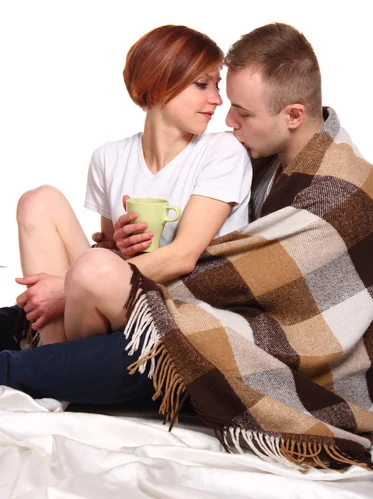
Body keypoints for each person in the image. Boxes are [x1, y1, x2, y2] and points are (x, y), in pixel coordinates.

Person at [1, 23, 373, 478]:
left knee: (126, 339)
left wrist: (89, 276)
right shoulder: (270, 154)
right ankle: (44, 358)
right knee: (25, 309)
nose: (228, 120)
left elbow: (211, 269)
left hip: (273, 347)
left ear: (292, 114)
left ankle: (30, 370)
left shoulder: (336, 193)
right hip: (169, 302)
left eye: (242, 112)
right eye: (220, 97)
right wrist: (113, 253)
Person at [15, 25, 252, 345]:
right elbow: (110, 256)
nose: (217, 99)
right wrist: (118, 247)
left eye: (216, 85)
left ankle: (55, 368)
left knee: (91, 268)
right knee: (38, 201)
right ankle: (52, 357)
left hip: (179, 305)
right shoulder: (108, 158)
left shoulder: (222, 152)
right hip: (113, 296)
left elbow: (184, 256)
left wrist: (65, 288)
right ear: (158, 87)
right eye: (202, 84)